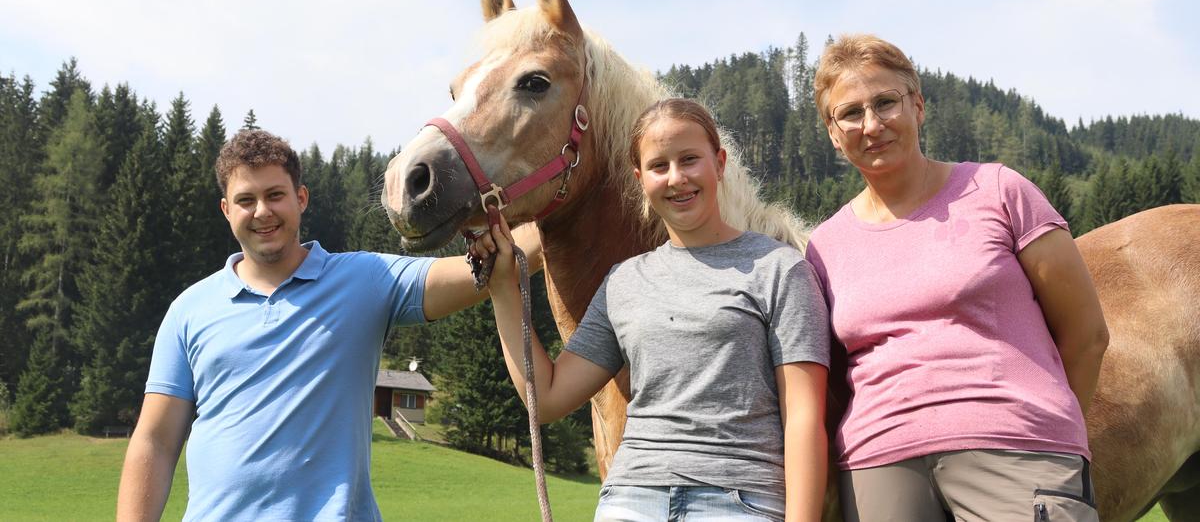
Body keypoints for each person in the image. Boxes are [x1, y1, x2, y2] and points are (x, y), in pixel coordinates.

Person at [116, 129, 540, 522]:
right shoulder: (190, 309)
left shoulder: (364, 280)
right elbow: (155, 441)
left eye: (275, 195)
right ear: (227, 210)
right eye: (246, 200)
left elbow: (486, 268)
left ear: (301, 198)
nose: (262, 211)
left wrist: (571, 205)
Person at [475, 98, 830, 522]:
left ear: (719, 163)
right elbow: (548, 397)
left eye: (689, 160)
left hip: (738, 498)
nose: (677, 178)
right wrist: (502, 289)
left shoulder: (780, 269)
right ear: (640, 178)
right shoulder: (624, 282)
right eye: (659, 166)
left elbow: (804, 418)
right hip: (630, 498)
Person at [804, 34, 1110, 522]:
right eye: (851, 113)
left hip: (1016, 443)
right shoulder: (824, 246)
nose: (872, 124)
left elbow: (1087, 334)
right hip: (878, 460)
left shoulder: (999, 191)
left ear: (918, 106)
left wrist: (1047, 425)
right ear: (833, 133)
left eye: (886, 103)